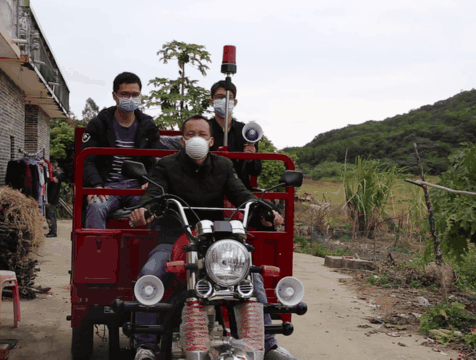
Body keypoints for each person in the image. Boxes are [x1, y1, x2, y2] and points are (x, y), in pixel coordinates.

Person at [129, 115, 299, 360]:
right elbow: (154, 195)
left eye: (202, 134)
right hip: (174, 237)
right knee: (150, 272)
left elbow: (242, 194)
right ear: (182, 139)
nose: (196, 138)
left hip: (215, 242)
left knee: (251, 276)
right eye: (190, 134)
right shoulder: (166, 165)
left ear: (211, 141)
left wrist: (265, 211)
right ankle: (145, 345)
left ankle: (269, 345)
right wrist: (144, 211)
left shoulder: (222, 165)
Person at [81, 72, 160, 229]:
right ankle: (96, 251)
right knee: (96, 207)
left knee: (154, 208)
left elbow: (156, 159)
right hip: (107, 187)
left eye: (135, 94)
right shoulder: (99, 124)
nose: (130, 99)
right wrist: (96, 185)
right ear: (115, 96)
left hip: (138, 187)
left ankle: (153, 251)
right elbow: (87, 159)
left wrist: (148, 181)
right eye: (125, 94)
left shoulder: (148, 126)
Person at [208, 80, 262, 191]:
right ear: (212, 101)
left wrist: (251, 159)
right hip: (210, 189)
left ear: (235, 102)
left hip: (241, 190)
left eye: (229, 97)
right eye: (220, 97)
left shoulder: (247, 131)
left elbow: (256, 171)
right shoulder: (203, 129)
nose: (224, 100)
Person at [46, 160, 65, 237]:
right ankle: (52, 231)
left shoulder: (55, 175)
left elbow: (53, 190)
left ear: (53, 166)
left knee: (51, 215)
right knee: (52, 215)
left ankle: (53, 232)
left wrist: (49, 201)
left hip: (52, 199)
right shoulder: (56, 174)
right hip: (53, 199)